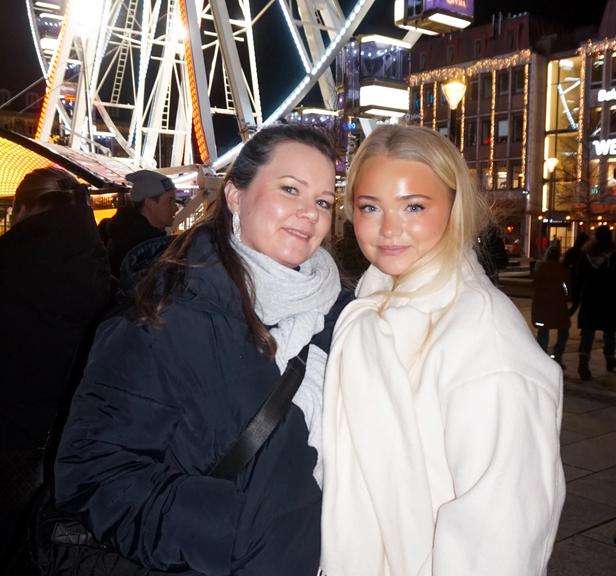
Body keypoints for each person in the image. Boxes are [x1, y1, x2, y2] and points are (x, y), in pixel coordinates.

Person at [53, 125, 351, 575]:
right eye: (290, 189)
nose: (309, 213)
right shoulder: (163, 315)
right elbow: (94, 472)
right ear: (234, 195)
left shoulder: (342, 313)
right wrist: (233, 531)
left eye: (323, 201)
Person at [321, 125, 565, 576]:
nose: (389, 228)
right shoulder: (374, 310)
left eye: (413, 206)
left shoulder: (485, 342)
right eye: (370, 207)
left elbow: (501, 533)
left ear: (454, 208)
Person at [0, 167, 110, 564]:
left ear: (24, 206)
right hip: (69, 443)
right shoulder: (103, 274)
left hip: (11, 435)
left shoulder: (9, 261)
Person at [103, 169, 179, 278]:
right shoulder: (140, 250)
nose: (176, 208)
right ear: (149, 203)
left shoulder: (127, 235)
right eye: (170, 200)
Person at [570, 225, 616, 380]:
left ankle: (583, 363)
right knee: (609, 331)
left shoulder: (586, 255)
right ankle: (610, 359)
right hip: (609, 299)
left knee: (588, 333)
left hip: (590, 298)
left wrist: (577, 296)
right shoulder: (613, 254)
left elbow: (578, 277)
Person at [531, 245, 571, 369]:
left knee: (543, 332)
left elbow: (535, 285)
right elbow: (567, 289)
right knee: (563, 330)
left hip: (542, 306)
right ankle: (557, 354)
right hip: (558, 306)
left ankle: (541, 357)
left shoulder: (540, 269)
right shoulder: (563, 270)